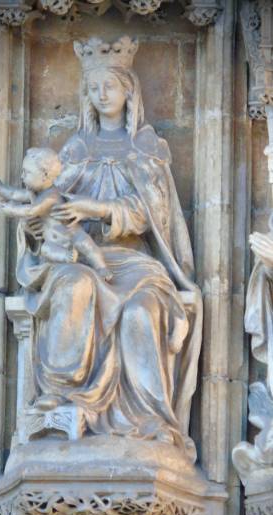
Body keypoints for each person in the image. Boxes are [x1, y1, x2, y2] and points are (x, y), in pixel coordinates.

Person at [15, 37, 202, 458]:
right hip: (82, 258)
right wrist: (34, 225)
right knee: (74, 288)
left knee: (140, 314)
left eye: (109, 86)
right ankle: (61, 399)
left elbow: (150, 215)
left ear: (128, 92)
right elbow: (48, 207)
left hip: (136, 263)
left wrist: (94, 207)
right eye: (93, 87)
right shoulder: (75, 152)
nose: (101, 94)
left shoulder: (147, 149)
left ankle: (150, 422)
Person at [0, 147, 112, 280]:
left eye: (27, 172)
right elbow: (15, 194)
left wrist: (12, 211)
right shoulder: (34, 192)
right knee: (45, 250)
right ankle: (67, 257)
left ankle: (102, 268)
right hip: (54, 242)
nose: (21, 176)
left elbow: (32, 210)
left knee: (88, 246)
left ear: (45, 175)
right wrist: (0, 188)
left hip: (72, 235)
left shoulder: (51, 196)